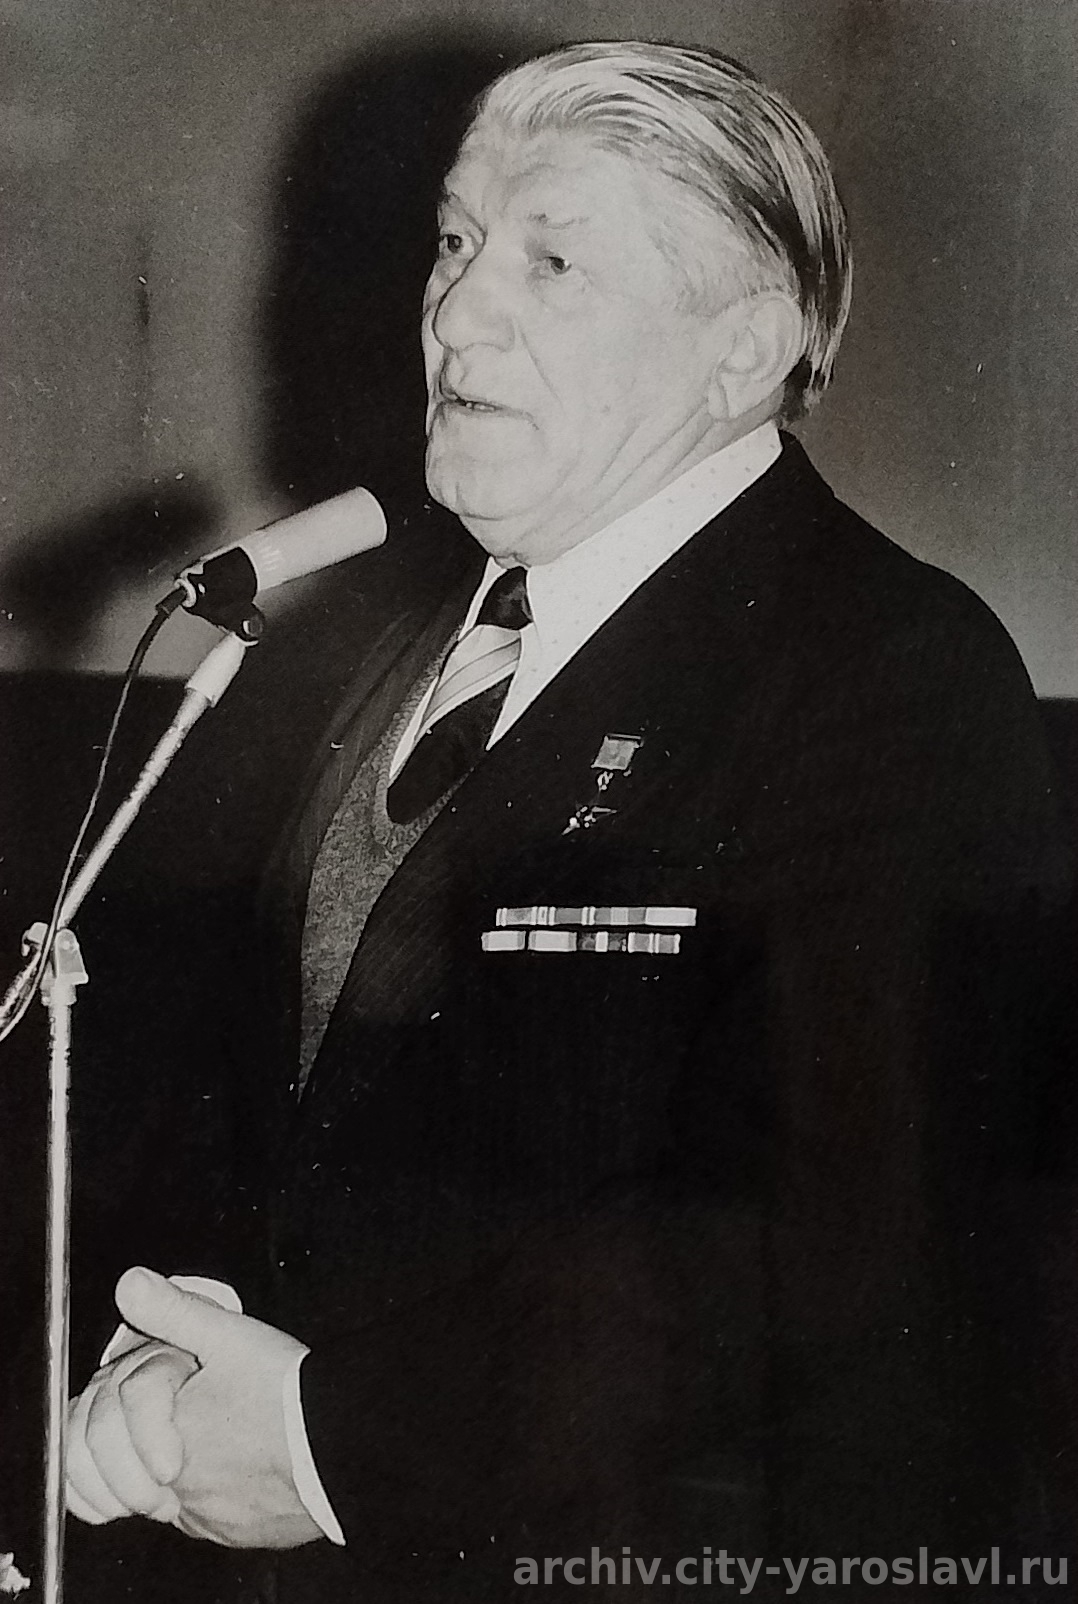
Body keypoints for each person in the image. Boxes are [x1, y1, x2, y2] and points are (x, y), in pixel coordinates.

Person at [64, 40, 1073, 1602]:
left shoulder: (890, 670)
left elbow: (820, 1229)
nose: (457, 311)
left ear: (742, 349)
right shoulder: (378, 652)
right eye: (454, 242)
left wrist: (333, 1441)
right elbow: (266, 1100)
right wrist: (170, 1344)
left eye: (551, 261)